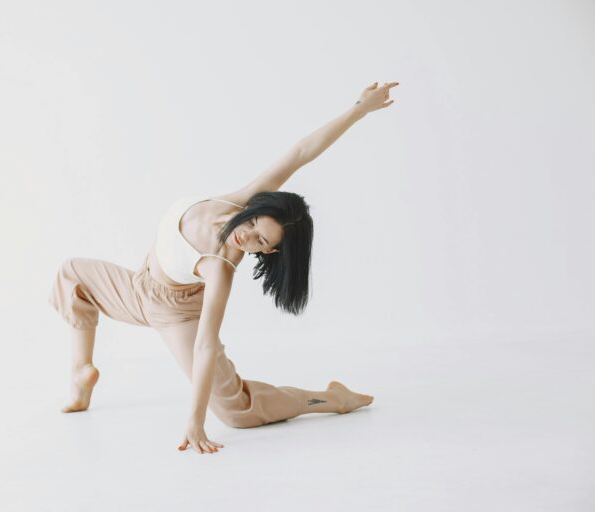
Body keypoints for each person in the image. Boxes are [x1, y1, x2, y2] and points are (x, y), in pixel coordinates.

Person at [49, 81, 399, 455]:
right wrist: (359, 109)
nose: (247, 237)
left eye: (260, 242)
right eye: (253, 224)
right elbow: (300, 153)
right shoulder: (236, 203)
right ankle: (81, 371)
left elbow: (203, 344)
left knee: (238, 412)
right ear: (255, 209)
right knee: (71, 275)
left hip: (177, 314)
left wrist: (195, 421)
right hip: (140, 288)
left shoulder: (220, 266)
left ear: (270, 251)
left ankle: (331, 399)